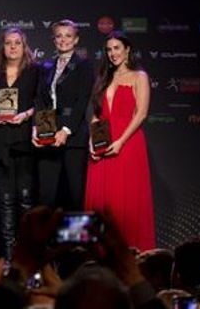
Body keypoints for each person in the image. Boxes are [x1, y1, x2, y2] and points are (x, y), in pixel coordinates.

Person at [85, 31, 155, 251]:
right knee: (102, 203)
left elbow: (141, 113)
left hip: (128, 145)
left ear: (127, 50)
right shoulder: (104, 78)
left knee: (125, 202)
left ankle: (130, 255)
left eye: (116, 48)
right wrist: (92, 141)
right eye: (108, 49)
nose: (112, 53)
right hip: (103, 145)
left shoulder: (139, 76)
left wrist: (121, 142)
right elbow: (97, 115)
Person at [0, 27, 39, 258]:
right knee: (5, 200)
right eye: (8, 43)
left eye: (17, 42)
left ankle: (25, 255)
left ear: (24, 46)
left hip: (25, 139)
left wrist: (25, 115)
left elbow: (42, 103)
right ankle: (9, 255)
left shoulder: (35, 72)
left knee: (25, 199)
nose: (13, 47)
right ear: (2, 47)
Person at [34, 20, 94, 210]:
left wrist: (66, 130)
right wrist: (38, 128)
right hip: (48, 137)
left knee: (75, 196)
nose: (63, 40)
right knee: (46, 195)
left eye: (68, 36)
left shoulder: (84, 65)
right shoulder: (46, 66)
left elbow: (82, 102)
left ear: (76, 40)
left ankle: (77, 240)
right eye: (59, 36)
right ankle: (47, 239)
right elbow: (40, 101)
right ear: (53, 40)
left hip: (73, 137)